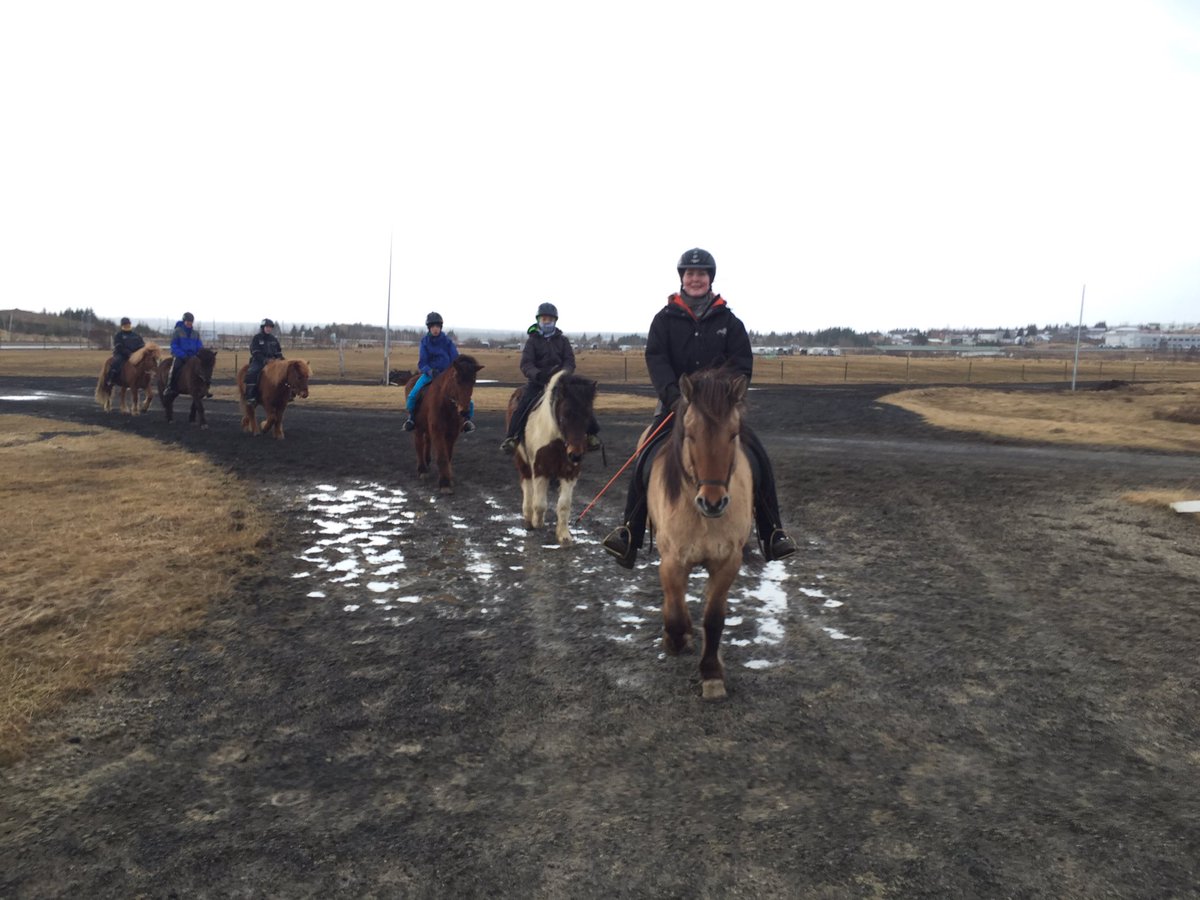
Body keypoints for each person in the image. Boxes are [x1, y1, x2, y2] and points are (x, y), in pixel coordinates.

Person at [601, 248, 798, 568]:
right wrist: (674, 399)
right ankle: (629, 533)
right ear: (682, 278)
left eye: (701, 274)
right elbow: (656, 359)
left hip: (720, 412)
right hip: (674, 405)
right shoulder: (664, 320)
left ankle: (772, 532)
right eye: (690, 274)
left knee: (758, 456)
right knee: (645, 456)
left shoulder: (729, 321)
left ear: (710, 279)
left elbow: (742, 364)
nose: (695, 279)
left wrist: (731, 395)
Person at [500, 302, 601, 454]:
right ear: (538, 320)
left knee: (581, 404)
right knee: (523, 406)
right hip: (538, 383)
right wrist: (538, 374)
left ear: (555, 321)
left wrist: (563, 374)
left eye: (549, 319)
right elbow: (526, 364)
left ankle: (592, 434)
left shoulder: (563, 341)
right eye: (544, 319)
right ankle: (512, 438)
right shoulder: (532, 341)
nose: (546, 322)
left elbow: (569, 361)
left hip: (561, 383)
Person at [403, 312, 475, 433]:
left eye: (437, 326)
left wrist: (454, 371)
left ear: (440, 327)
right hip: (429, 375)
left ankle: (466, 420)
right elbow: (422, 363)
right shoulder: (424, 342)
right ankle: (412, 418)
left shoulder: (447, 342)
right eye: (433, 327)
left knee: (467, 399)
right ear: (429, 328)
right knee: (413, 395)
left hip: (447, 375)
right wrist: (430, 371)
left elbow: (455, 359)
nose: (435, 329)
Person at [164, 311, 204, 403]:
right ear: (184, 321)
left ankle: (203, 388)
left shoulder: (195, 333)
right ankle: (170, 386)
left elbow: (199, 345)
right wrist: (183, 355)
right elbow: (174, 345)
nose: (189, 323)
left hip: (193, 356)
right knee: (176, 367)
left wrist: (199, 353)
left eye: (191, 321)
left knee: (203, 369)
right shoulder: (177, 331)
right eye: (188, 321)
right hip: (180, 355)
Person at [244, 318, 284, 404]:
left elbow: (278, 352)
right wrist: (265, 360)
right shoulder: (257, 338)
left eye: (270, 327)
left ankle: (288, 394)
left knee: (286, 372)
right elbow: (255, 352)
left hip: (274, 362)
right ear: (263, 327)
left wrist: (283, 361)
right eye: (267, 327)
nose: (268, 329)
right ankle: (250, 396)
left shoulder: (274, 339)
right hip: (259, 361)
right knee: (252, 373)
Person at [106, 317, 145, 387]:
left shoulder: (136, 335)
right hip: (122, 354)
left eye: (128, 324)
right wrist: (128, 353)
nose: (127, 325)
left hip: (135, 354)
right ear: (122, 325)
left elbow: (142, 344)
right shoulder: (119, 335)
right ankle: (111, 379)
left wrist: (140, 351)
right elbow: (119, 346)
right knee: (116, 362)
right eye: (125, 324)